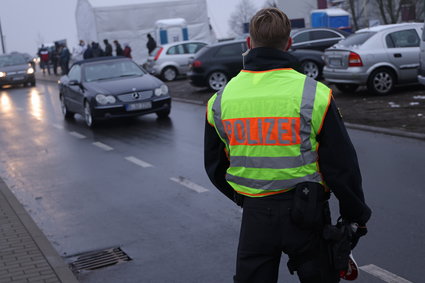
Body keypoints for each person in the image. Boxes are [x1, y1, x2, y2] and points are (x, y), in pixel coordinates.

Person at [204, 7, 371, 283]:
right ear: (289, 42)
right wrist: (355, 214)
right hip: (306, 213)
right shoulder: (314, 94)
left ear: (249, 43)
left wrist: (242, 196)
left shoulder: (220, 101)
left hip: (255, 216)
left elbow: (214, 165)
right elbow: (341, 165)